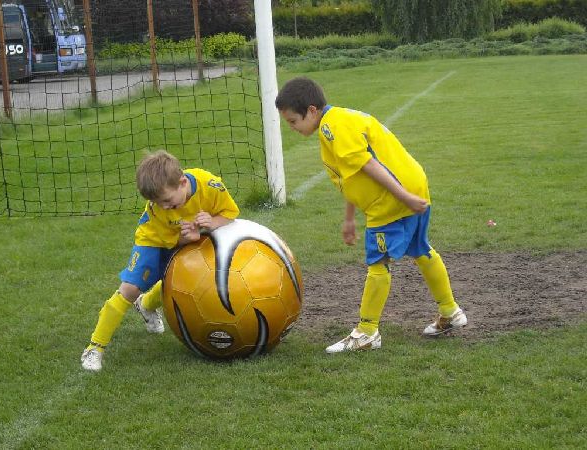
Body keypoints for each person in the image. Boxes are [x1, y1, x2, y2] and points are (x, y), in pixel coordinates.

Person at [275, 77, 467, 353]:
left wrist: (402, 197)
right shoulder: (340, 118)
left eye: (293, 121)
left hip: (391, 198)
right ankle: (450, 311)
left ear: (312, 110)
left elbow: (368, 164)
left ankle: (366, 332)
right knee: (420, 248)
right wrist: (350, 217)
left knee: (378, 262)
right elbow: (351, 175)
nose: (292, 128)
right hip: (413, 183)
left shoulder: (332, 129)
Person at [81, 150, 240, 371]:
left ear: (183, 182)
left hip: (184, 238)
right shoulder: (158, 209)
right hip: (153, 239)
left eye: (166, 200)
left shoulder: (211, 186)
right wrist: (187, 238)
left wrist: (212, 222)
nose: (163, 206)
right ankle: (94, 347)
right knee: (130, 289)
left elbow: (230, 213)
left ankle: (146, 305)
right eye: (157, 202)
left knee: (178, 281)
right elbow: (169, 246)